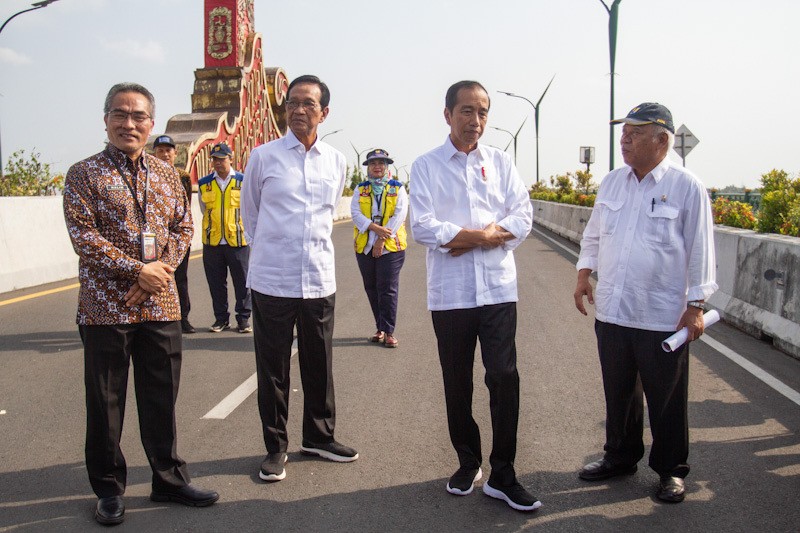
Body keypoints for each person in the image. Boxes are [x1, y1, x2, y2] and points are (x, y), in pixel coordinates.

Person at [63, 82, 219, 526]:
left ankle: (168, 479)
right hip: (104, 308)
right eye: (120, 114)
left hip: (161, 306)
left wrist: (158, 274)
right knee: (106, 402)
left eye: (138, 116)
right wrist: (138, 271)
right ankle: (109, 490)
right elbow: (84, 237)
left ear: (151, 123)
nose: (129, 123)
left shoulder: (169, 174)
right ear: (106, 119)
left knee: (161, 397)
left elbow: (184, 229)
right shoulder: (83, 174)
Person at [573, 102, 717, 503]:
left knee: (666, 397)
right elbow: (595, 235)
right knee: (618, 392)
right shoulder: (613, 182)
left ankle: (671, 470)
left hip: (661, 316)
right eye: (623, 133)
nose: (625, 140)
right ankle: (619, 457)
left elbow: (702, 250)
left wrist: (697, 305)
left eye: (634, 133)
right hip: (614, 311)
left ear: (662, 140)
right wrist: (584, 274)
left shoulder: (687, 187)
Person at [409, 80, 537, 511]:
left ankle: (504, 473)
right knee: (456, 381)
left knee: (504, 377)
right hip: (451, 296)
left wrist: (475, 239)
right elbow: (423, 227)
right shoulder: (426, 166)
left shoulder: (500, 163)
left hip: (498, 290)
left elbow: (523, 214)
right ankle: (468, 461)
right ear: (447, 114)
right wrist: (481, 235)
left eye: (482, 112)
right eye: (466, 111)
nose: (475, 120)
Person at [241, 74, 358, 483]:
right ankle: (276, 448)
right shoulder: (263, 157)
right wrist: (273, 252)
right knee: (273, 368)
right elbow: (250, 216)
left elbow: (327, 217)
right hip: (272, 280)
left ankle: (319, 437)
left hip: (319, 278)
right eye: (292, 103)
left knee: (319, 363)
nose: (298, 110)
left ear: (324, 112)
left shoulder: (336, 161)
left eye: (308, 104)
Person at [350, 148, 408, 348]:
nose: (377, 166)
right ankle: (380, 327)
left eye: (381, 163)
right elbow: (356, 214)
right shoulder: (360, 189)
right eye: (373, 163)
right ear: (368, 167)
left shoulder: (397, 188)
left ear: (387, 166)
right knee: (372, 288)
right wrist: (373, 228)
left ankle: (389, 331)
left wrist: (381, 239)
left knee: (388, 289)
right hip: (364, 247)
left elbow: (399, 216)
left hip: (391, 247)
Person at [198, 142, 252, 333]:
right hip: (212, 241)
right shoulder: (205, 183)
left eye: (222, 159)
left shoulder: (243, 181)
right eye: (215, 159)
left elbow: (249, 209)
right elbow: (204, 209)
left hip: (237, 240)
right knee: (216, 283)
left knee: (243, 282)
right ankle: (221, 319)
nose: (218, 163)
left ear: (231, 158)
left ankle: (243, 319)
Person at [153, 134, 196, 334]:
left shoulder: (183, 177)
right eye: (160, 150)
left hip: (177, 238)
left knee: (180, 278)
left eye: (168, 150)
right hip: (153, 240)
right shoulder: (148, 175)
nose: (164, 154)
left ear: (175, 153)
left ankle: (183, 318)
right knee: (157, 277)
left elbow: (185, 209)